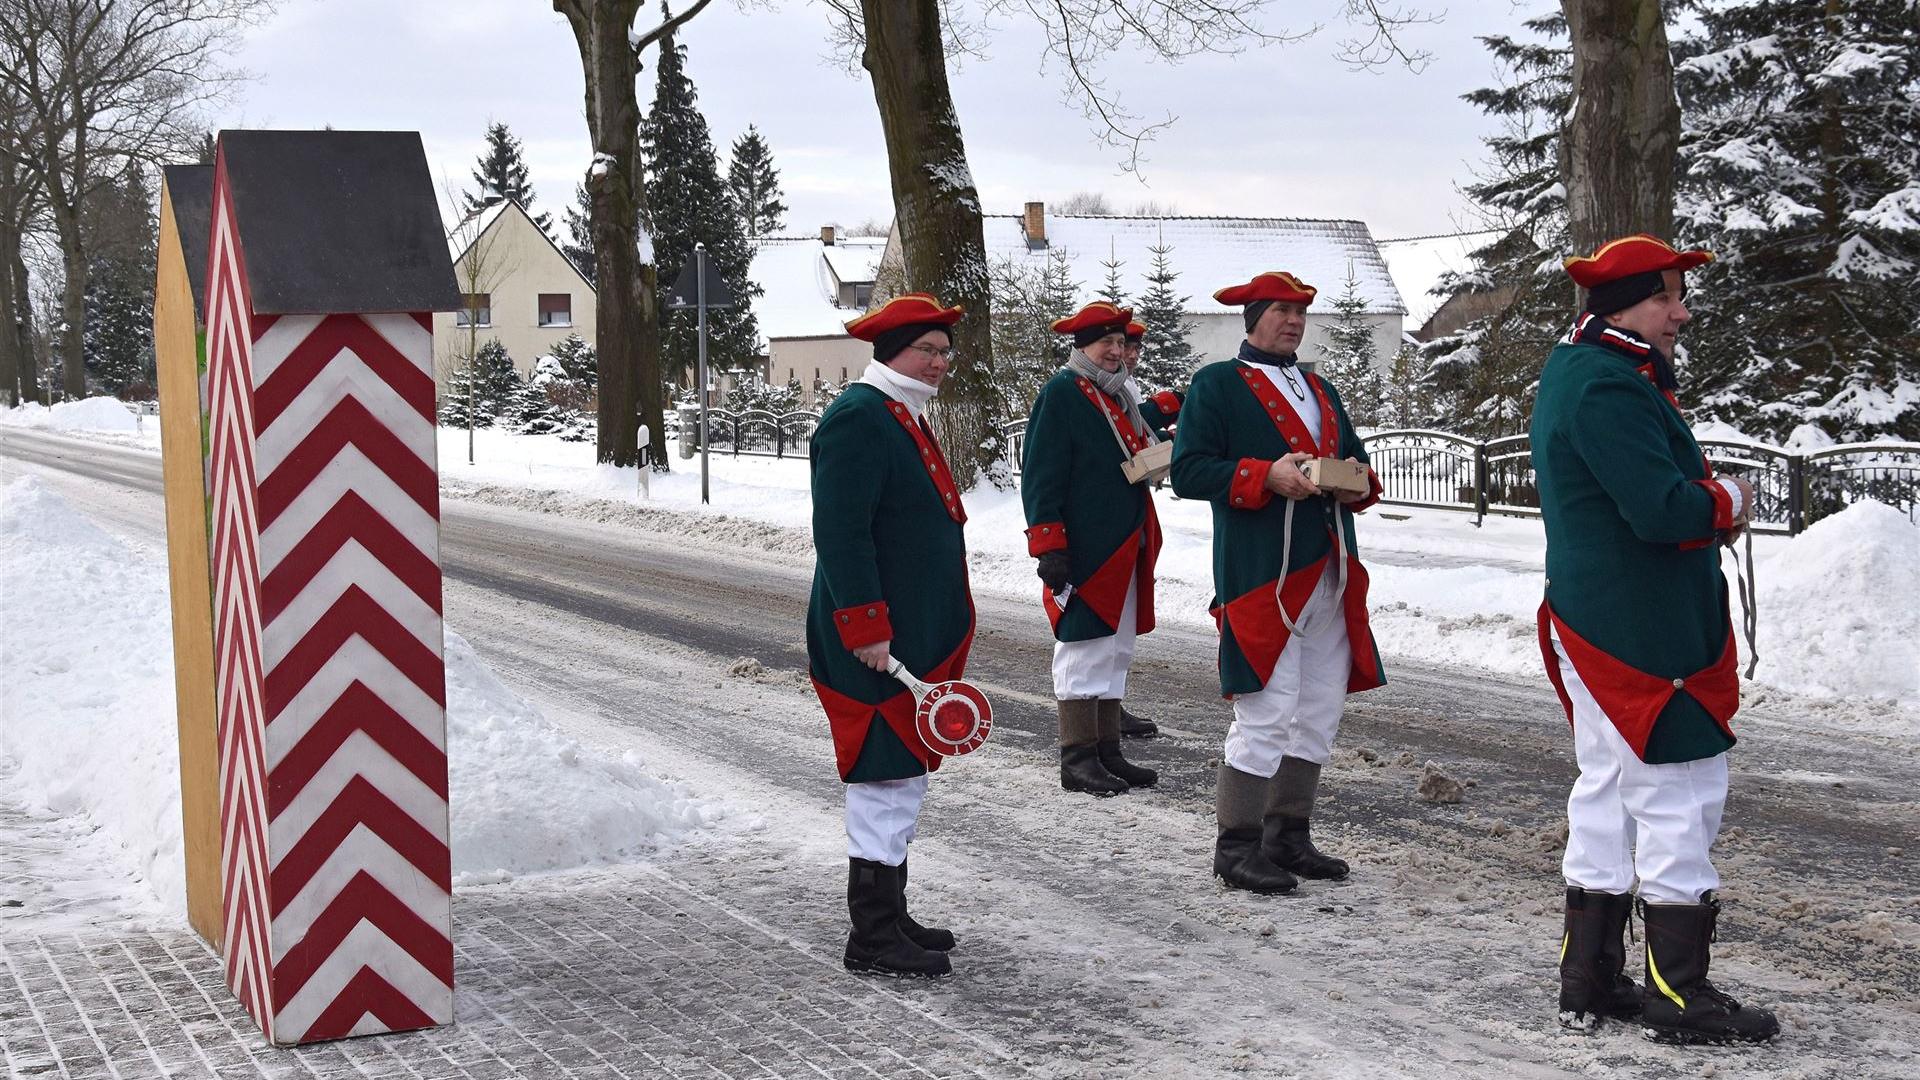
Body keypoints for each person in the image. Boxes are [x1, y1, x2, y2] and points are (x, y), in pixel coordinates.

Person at [1533, 234, 1776, 1043]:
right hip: (1637, 628)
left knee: (1608, 791)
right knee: (1680, 791)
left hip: (1607, 616)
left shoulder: (1589, 369)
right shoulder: (1606, 383)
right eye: (1665, 297)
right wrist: (1727, 500)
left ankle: (1591, 979)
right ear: (1621, 306)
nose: (1681, 313)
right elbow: (1660, 509)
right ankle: (1679, 994)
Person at [1169, 272, 1386, 895]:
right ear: (1253, 316)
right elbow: (1188, 471)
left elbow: (1354, 460)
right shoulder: (1216, 384)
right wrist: (1264, 475)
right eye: (1281, 311)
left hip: (1329, 571)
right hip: (1261, 573)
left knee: (1318, 708)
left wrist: (1354, 479)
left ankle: (1287, 834)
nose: (1293, 321)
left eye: (1299, 312)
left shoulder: (1320, 387)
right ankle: (1236, 845)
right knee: (1266, 710)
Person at [807, 292, 973, 979]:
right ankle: (871, 936)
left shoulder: (901, 411)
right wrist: (867, 627)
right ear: (891, 352)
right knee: (881, 776)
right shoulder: (860, 417)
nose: (938, 362)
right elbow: (841, 533)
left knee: (903, 773)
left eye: (944, 352)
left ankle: (891, 913)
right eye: (925, 350)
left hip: (907, 637)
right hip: (874, 643)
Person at [1021, 301, 1166, 795]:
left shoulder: (1116, 395)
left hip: (1124, 542)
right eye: (1106, 342)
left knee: (1115, 648)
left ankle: (1107, 750)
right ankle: (1077, 757)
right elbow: (1041, 473)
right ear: (1082, 346)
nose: (1116, 351)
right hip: (1085, 546)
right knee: (1083, 648)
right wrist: (1048, 544)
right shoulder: (1063, 392)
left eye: (1121, 342)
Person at [1114, 318, 1184, 739]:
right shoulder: (1097, 390)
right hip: (1104, 520)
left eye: (1135, 348)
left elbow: (1136, 432)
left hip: (1132, 512)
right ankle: (1091, 727)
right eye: (1124, 346)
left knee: (1120, 627)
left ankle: (1109, 710)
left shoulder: (1125, 387)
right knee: (1093, 637)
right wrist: (1164, 408)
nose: (1131, 355)